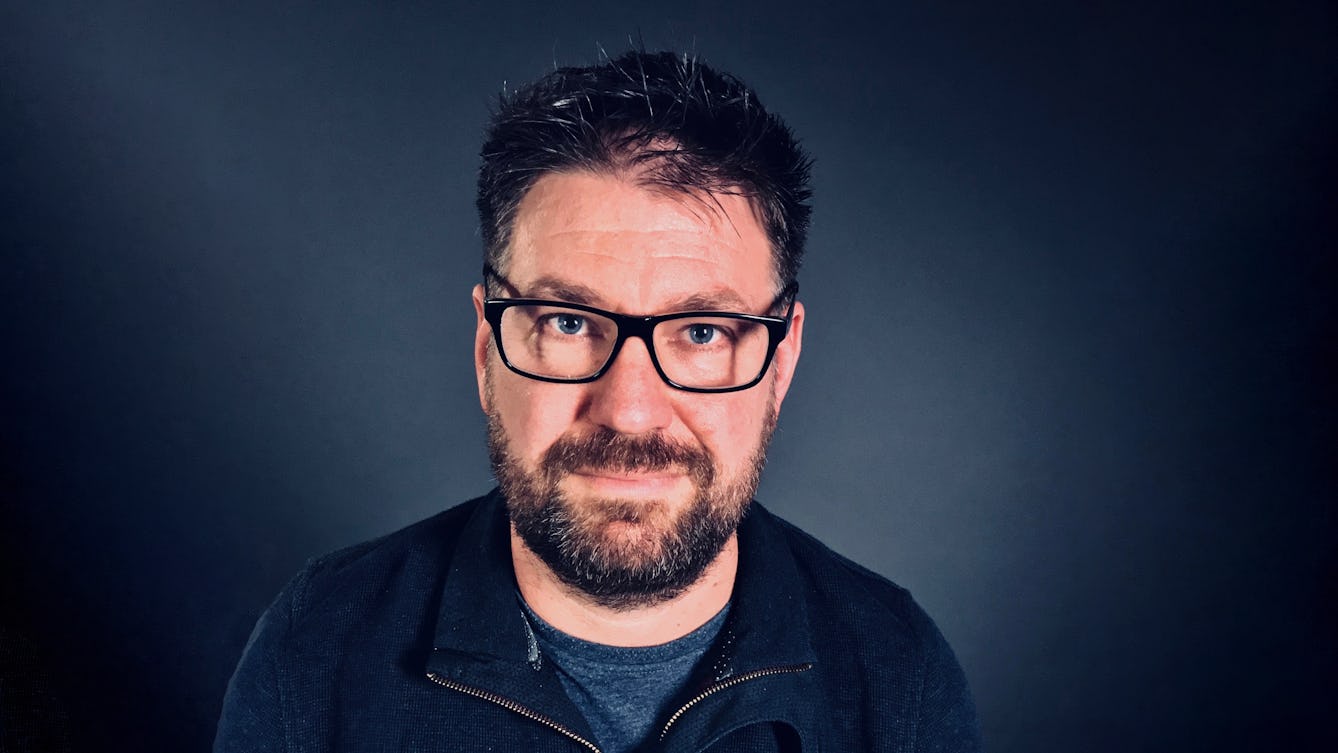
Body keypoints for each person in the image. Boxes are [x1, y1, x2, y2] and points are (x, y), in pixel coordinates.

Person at [215, 49, 981, 753]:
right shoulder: (316, 650)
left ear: (781, 358)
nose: (630, 410)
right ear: (488, 350)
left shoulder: (896, 675)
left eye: (703, 331)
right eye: (570, 322)